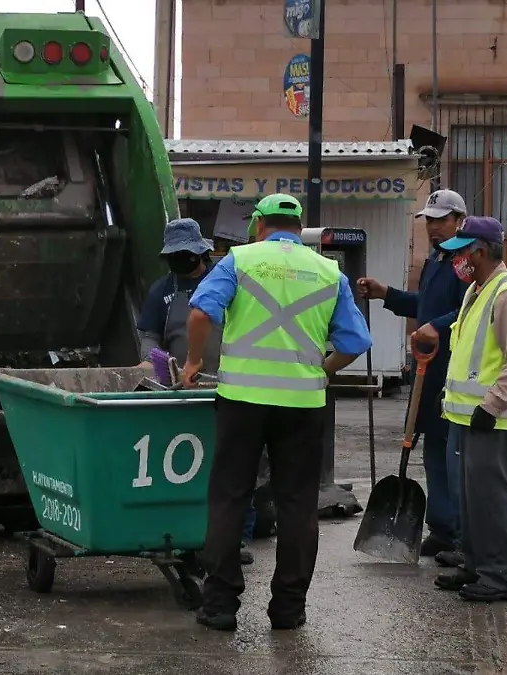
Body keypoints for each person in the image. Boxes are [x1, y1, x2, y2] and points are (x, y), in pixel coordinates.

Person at [180, 193, 372, 631]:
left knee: (230, 497)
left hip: (242, 401)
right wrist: (321, 372)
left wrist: (193, 362)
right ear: (298, 225)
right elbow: (354, 343)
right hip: (303, 406)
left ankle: (221, 606)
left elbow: (199, 314)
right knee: (299, 506)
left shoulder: (239, 260)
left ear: (260, 224)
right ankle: (288, 609)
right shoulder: (329, 272)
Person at [416, 216, 507, 603]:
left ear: (479, 251)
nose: (456, 261)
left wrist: (493, 404)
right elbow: (469, 353)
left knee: (491, 500)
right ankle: (474, 566)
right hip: (464, 415)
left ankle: (500, 577)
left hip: (490, 418)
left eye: (461, 252)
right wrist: (448, 395)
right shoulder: (476, 291)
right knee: (469, 500)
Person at [356, 188, 470, 567]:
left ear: (459, 221)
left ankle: (460, 534)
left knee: (453, 454)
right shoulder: (436, 260)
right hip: (428, 369)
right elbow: (424, 306)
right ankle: (440, 528)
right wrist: (386, 294)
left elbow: (470, 311)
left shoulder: (466, 263)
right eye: (429, 221)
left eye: (440, 220)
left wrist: (437, 327)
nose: (433, 228)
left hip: (455, 369)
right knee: (434, 451)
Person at [135, 218, 258, 565]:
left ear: (201, 252)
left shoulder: (226, 281)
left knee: (235, 465)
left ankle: (237, 538)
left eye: (186, 254)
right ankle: (179, 532)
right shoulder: (162, 291)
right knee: (182, 466)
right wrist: (152, 363)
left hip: (229, 386)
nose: (180, 261)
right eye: (174, 256)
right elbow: (149, 336)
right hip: (178, 390)